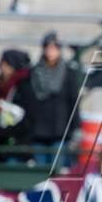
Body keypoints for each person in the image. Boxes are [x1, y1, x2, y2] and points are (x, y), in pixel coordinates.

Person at [30, 31, 80, 165]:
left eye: (54, 47)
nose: (51, 51)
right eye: (48, 47)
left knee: (57, 175)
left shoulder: (68, 73)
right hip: (39, 131)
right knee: (39, 177)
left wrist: (75, 128)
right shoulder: (34, 72)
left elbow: (73, 101)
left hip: (60, 131)